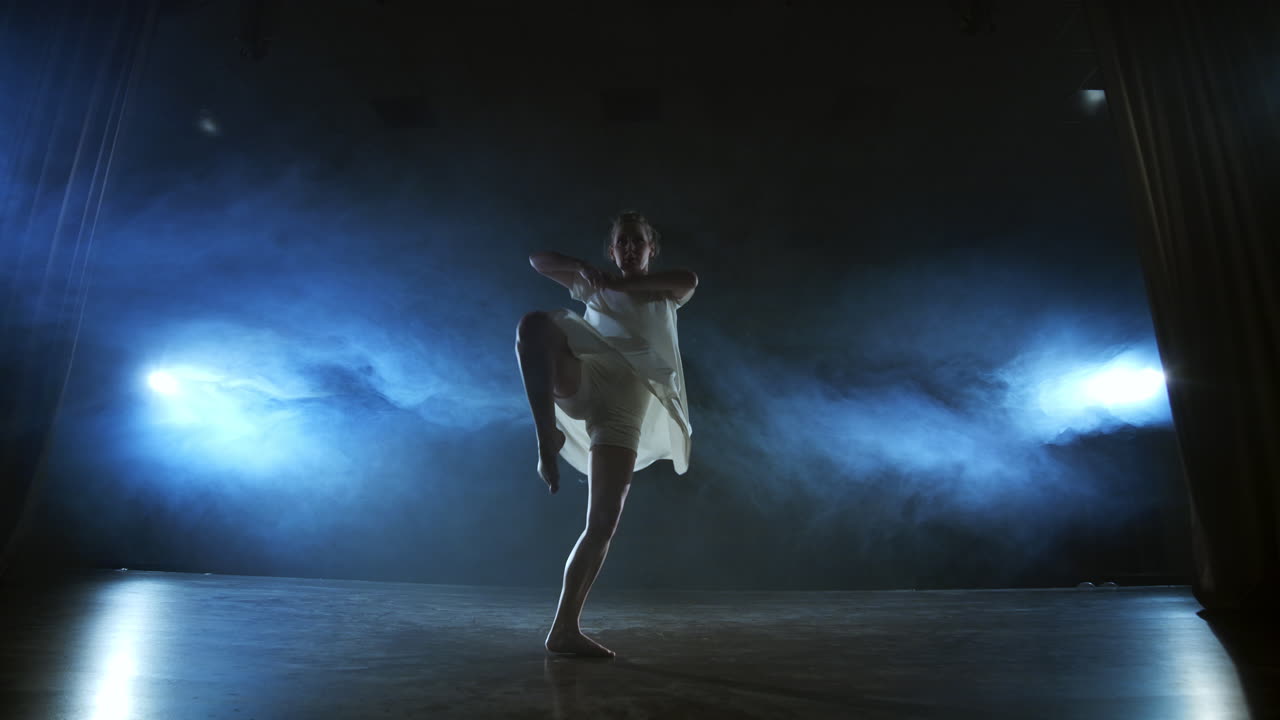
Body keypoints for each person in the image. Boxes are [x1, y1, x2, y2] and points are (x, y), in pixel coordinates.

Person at [515, 210, 697, 657]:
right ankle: (547, 439)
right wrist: (582, 270)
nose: (631, 248)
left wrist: (606, 283)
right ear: (613, 251)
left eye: (639, 241)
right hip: (588, 377)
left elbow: (688, 278)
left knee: (601, 525)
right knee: (534, 325)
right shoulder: (593, 282)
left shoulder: (667, 291)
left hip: (624, 407)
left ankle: (564, 629)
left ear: (651, 250)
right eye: (623, 243)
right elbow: (538, 260)